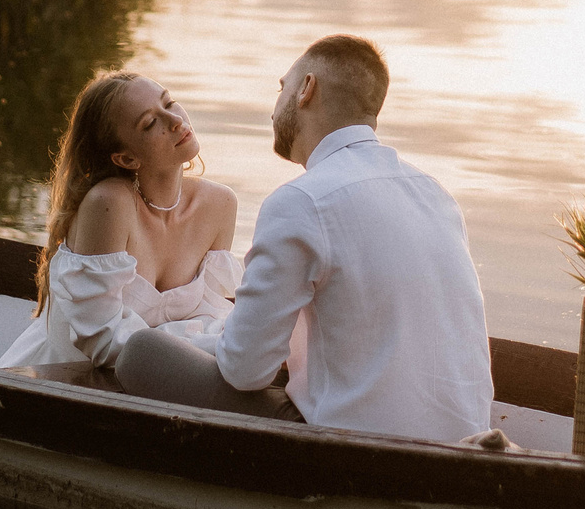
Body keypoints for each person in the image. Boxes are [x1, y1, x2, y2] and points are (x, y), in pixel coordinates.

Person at [116, 34, 495, 443]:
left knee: (142, 352)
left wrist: (193, 337)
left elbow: (245, 371)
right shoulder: (435, 193)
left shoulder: (301, 202)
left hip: (360, 449)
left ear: (306, 89)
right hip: (464, 440)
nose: (276, 103)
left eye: (282, 87)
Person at [0, 70, 241, 372]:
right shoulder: (109, 204)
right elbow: (104, 344)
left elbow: (211, 319)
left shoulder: (219, 205)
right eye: (150, 123)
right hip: (65, 384)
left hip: (163, 384)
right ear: (126, 159)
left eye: (170, 102)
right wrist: (218, 347)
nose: (175, 120)